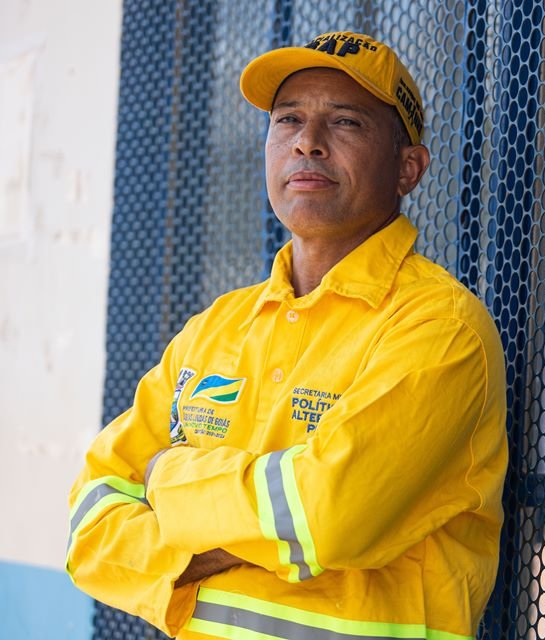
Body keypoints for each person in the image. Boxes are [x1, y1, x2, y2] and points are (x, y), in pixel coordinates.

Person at [67, 30, 508, 640]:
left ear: (408, 168)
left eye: (346, 122)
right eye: (288, 119)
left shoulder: (440, 329)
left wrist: (167, 478)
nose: (308, 142)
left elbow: (327, 516)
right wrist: (240, 532)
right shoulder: (218, 326)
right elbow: (89, 518)